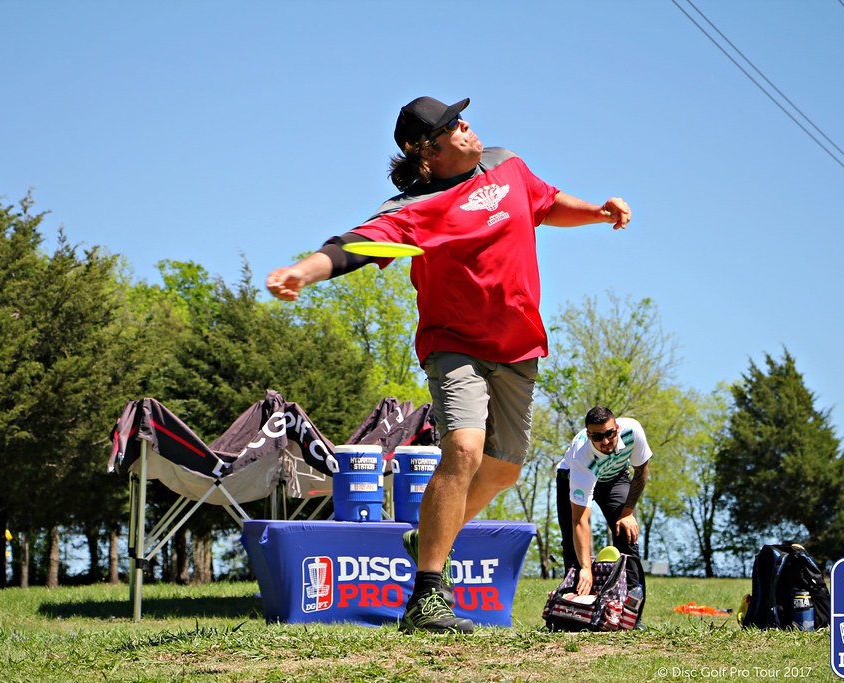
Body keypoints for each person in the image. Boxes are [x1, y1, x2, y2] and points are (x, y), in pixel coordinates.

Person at [266, 96, 632, 633]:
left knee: (506, 467)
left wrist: (598, 212)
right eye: (452, 126)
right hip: (454, 345)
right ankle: (427, 597)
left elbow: (547, 203)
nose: (466, 125)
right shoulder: (413, 209)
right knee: (463, 447)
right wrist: (304, 270)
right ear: (428, 153)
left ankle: (429, 537)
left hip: (518, 347)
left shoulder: (506, 163)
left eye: (462, 118)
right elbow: (354, 247)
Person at [556, 405, 652, 599]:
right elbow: (580, 521)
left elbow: (641, 472)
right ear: (589, 436)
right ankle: (576, 604)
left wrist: (627, 513)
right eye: (598, 437)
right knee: (573, 543)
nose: (606, 441)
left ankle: (631, 606)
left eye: (609, 434)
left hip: (614, 477)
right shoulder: (582, 456)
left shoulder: (632, 431)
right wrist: (586, 568)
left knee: (627, 532)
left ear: (617, 428)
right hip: (572, 477)